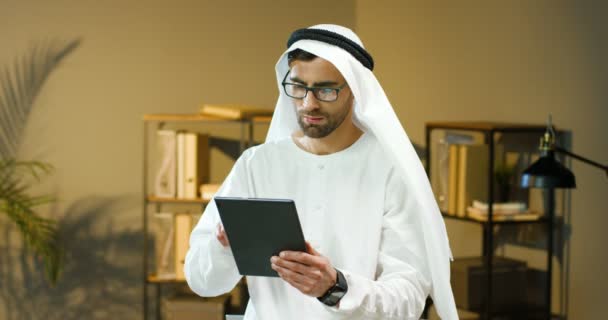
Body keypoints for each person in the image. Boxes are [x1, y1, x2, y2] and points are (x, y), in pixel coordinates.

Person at [185, 24, 458, 320]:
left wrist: (335, 287)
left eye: (325, 90)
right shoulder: (255, 165)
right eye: (299, 87)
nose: (308, 103)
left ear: (354, 89)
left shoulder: (389, 170)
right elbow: (202, 281)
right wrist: (224, 247)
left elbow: (408, 299)